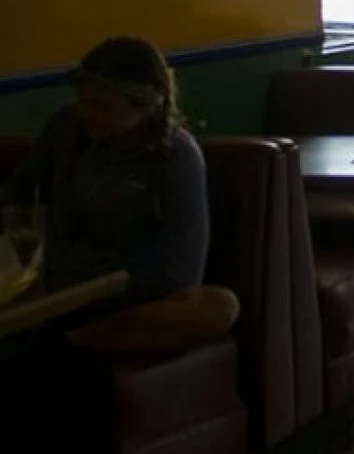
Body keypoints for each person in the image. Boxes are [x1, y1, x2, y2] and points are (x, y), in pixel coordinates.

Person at [5, 36, 209, 307]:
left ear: (145, 106)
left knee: (219, 306)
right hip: (57, 286)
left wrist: (118, 289)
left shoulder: (176, 157)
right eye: (82, 101)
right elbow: (17, 190)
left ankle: (73, 338)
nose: (86, 113)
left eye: (102, 107)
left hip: (130, 298)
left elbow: (182, 271)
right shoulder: (65, 129)